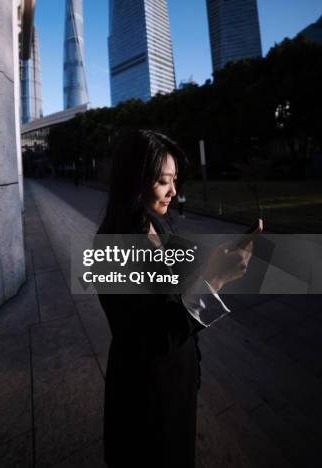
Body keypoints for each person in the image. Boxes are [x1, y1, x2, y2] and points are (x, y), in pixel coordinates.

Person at [96, 129, 253, 468]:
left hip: (179, 381)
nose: (173, 192)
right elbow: (147, 338)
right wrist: (214, 280)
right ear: (133, 181)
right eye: (163, 181)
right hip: (145, 399)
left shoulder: (160, 225)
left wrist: (212, 266)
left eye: (175, 180)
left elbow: (178, 288)